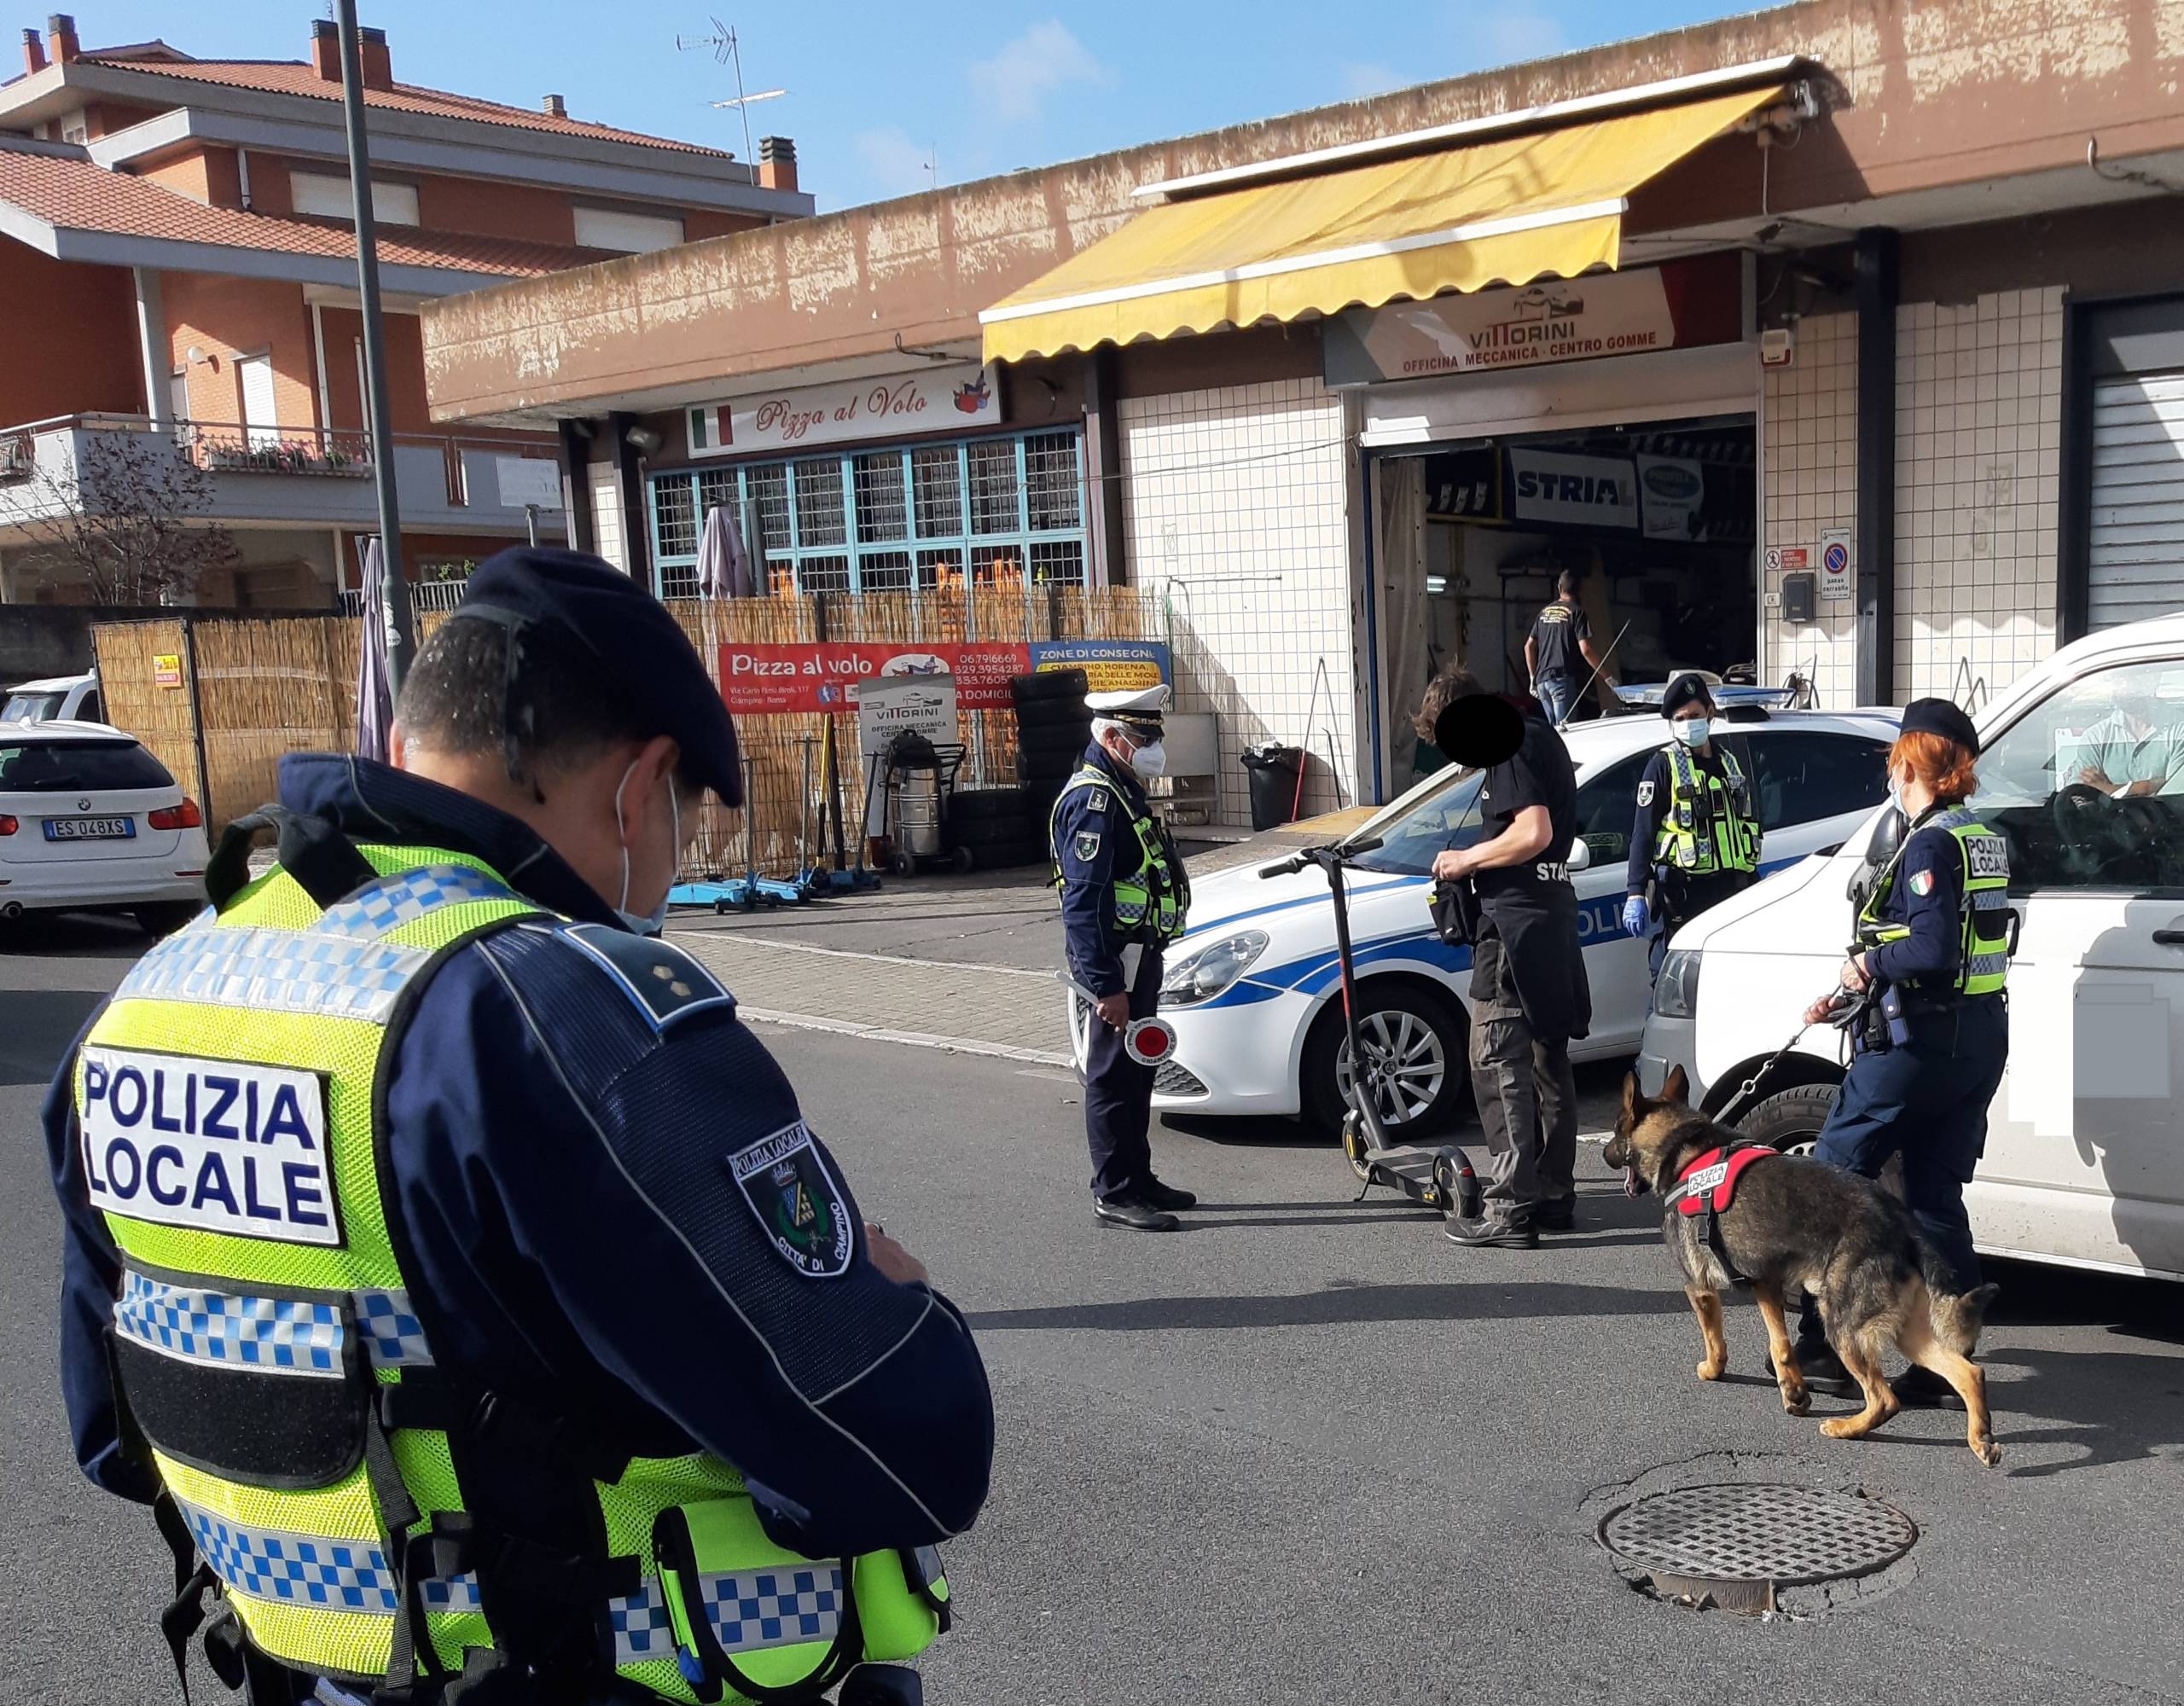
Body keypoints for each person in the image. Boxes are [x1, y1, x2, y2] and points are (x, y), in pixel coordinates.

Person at [45, 549, 993, 1703]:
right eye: (685, 820)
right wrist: (898, 1309)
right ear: (640, 787)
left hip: (316, 1673)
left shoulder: (161, 994)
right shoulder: (557, 1007)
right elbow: (899, 1446)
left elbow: (116, 1433)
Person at [1790, 698, 2011, 1405]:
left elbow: (1931, 947)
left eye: (1895, 758)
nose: (1891, 770)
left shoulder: (1926, 844)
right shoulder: (1983, 836)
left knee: (1833, 1179)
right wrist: (1854, 985)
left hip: (1917, 1044)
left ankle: (1826, 1349)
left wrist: (1869, 969)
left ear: (1911, 760)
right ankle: (1946, 1360)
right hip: (1977, 1039)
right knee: (1935, 1196)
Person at [1430, 675, 1591, 1249]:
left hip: (1513, 925)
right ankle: (1553, 1194)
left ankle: (1509, 1210)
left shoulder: (1511, 744)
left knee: (1497, 1063)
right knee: (1551, 1060)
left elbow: (1533, 831)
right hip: (1552, 917)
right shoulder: (1544, 736)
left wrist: (1463, 861)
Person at [1049, 684, 1195, 1231]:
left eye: (1154, 735)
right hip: (1113, 963)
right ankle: (1113, 1191)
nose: (1152, 746)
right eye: (1142, 737)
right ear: (1110, 737)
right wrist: (1106, 985)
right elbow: (1082, 904)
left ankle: (1139, 1178)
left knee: (1139, 1069)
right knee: (1111, 1077)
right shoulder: (1094, 800)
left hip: (1139, 956)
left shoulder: (1123, 787)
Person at [1621, 673, 1762, 981]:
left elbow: (1744, 826)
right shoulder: (1663, 765)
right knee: (1673, 988)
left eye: (1695, 716)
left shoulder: (1729, 762)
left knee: (1728, 985)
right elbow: (1642, 833)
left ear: (1710, 713)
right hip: (1682, 897)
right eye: (1680, 718)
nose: (1689, 724)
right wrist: (1635, 892)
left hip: (1731, 893)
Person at [1525, 570, 1604, 726]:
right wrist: (1607, 676)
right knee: (1566, 733)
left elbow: (1528, 646)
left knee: (1554, 733)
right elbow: (1586, 650)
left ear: (1559, 588)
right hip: (1561, 679)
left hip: (1542, 682)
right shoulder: (1576, 612)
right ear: (1579, 590)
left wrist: (1532, 678)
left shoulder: (1543, 613)